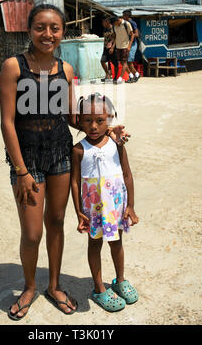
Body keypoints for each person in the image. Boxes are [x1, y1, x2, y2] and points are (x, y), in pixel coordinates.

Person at [0, 4, 130, 320]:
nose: (48, 34)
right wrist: (21, 170)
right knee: (31, 233)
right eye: (40, 27)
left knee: (55, 223)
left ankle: (54, 285)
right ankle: (29, 287)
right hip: (27, 159)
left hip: (60, 154)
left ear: (62, 32)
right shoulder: (14, 67)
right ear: (29, 30)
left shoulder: (66, 70)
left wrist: (106, 128)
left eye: (54, 28)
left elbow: (71, 116)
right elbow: (6, 122)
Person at [71, 93, 139, 312]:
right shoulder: (78, 150)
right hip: (93, 210)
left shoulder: (116, 143)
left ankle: (120, 280)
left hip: (115, 207)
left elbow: (127, 174)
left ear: (109, 119)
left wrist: (130, 206)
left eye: (99, 121)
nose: (93, 126)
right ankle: (99, 288)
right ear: (79, 120)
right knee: (94, 244)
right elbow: (74, 183)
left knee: (116, 243)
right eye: (87, 120)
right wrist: (79, 211)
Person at [112, 15, 134, 83]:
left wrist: (129, 46)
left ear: (118, 20)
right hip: (118, 46)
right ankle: (131, 76)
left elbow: (132, 35)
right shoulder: (114, 26)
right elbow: (115, 36)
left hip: (125, 46)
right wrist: (113, 45)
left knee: (124, 62)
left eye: (115, 23)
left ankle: (120, 78)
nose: (114, 25)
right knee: (121, 62)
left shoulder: (126, 24)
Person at [122, 10, 140, 83]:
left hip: (132, 44)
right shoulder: (125, 23)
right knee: (126, 61)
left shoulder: (132, 23)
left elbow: (136, 34)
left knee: (129, 62)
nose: (122, 17)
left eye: (123, 15)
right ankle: (135, 74)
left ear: (127, 16)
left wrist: (130, 34)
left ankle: (134, 75)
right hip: (127, 44)